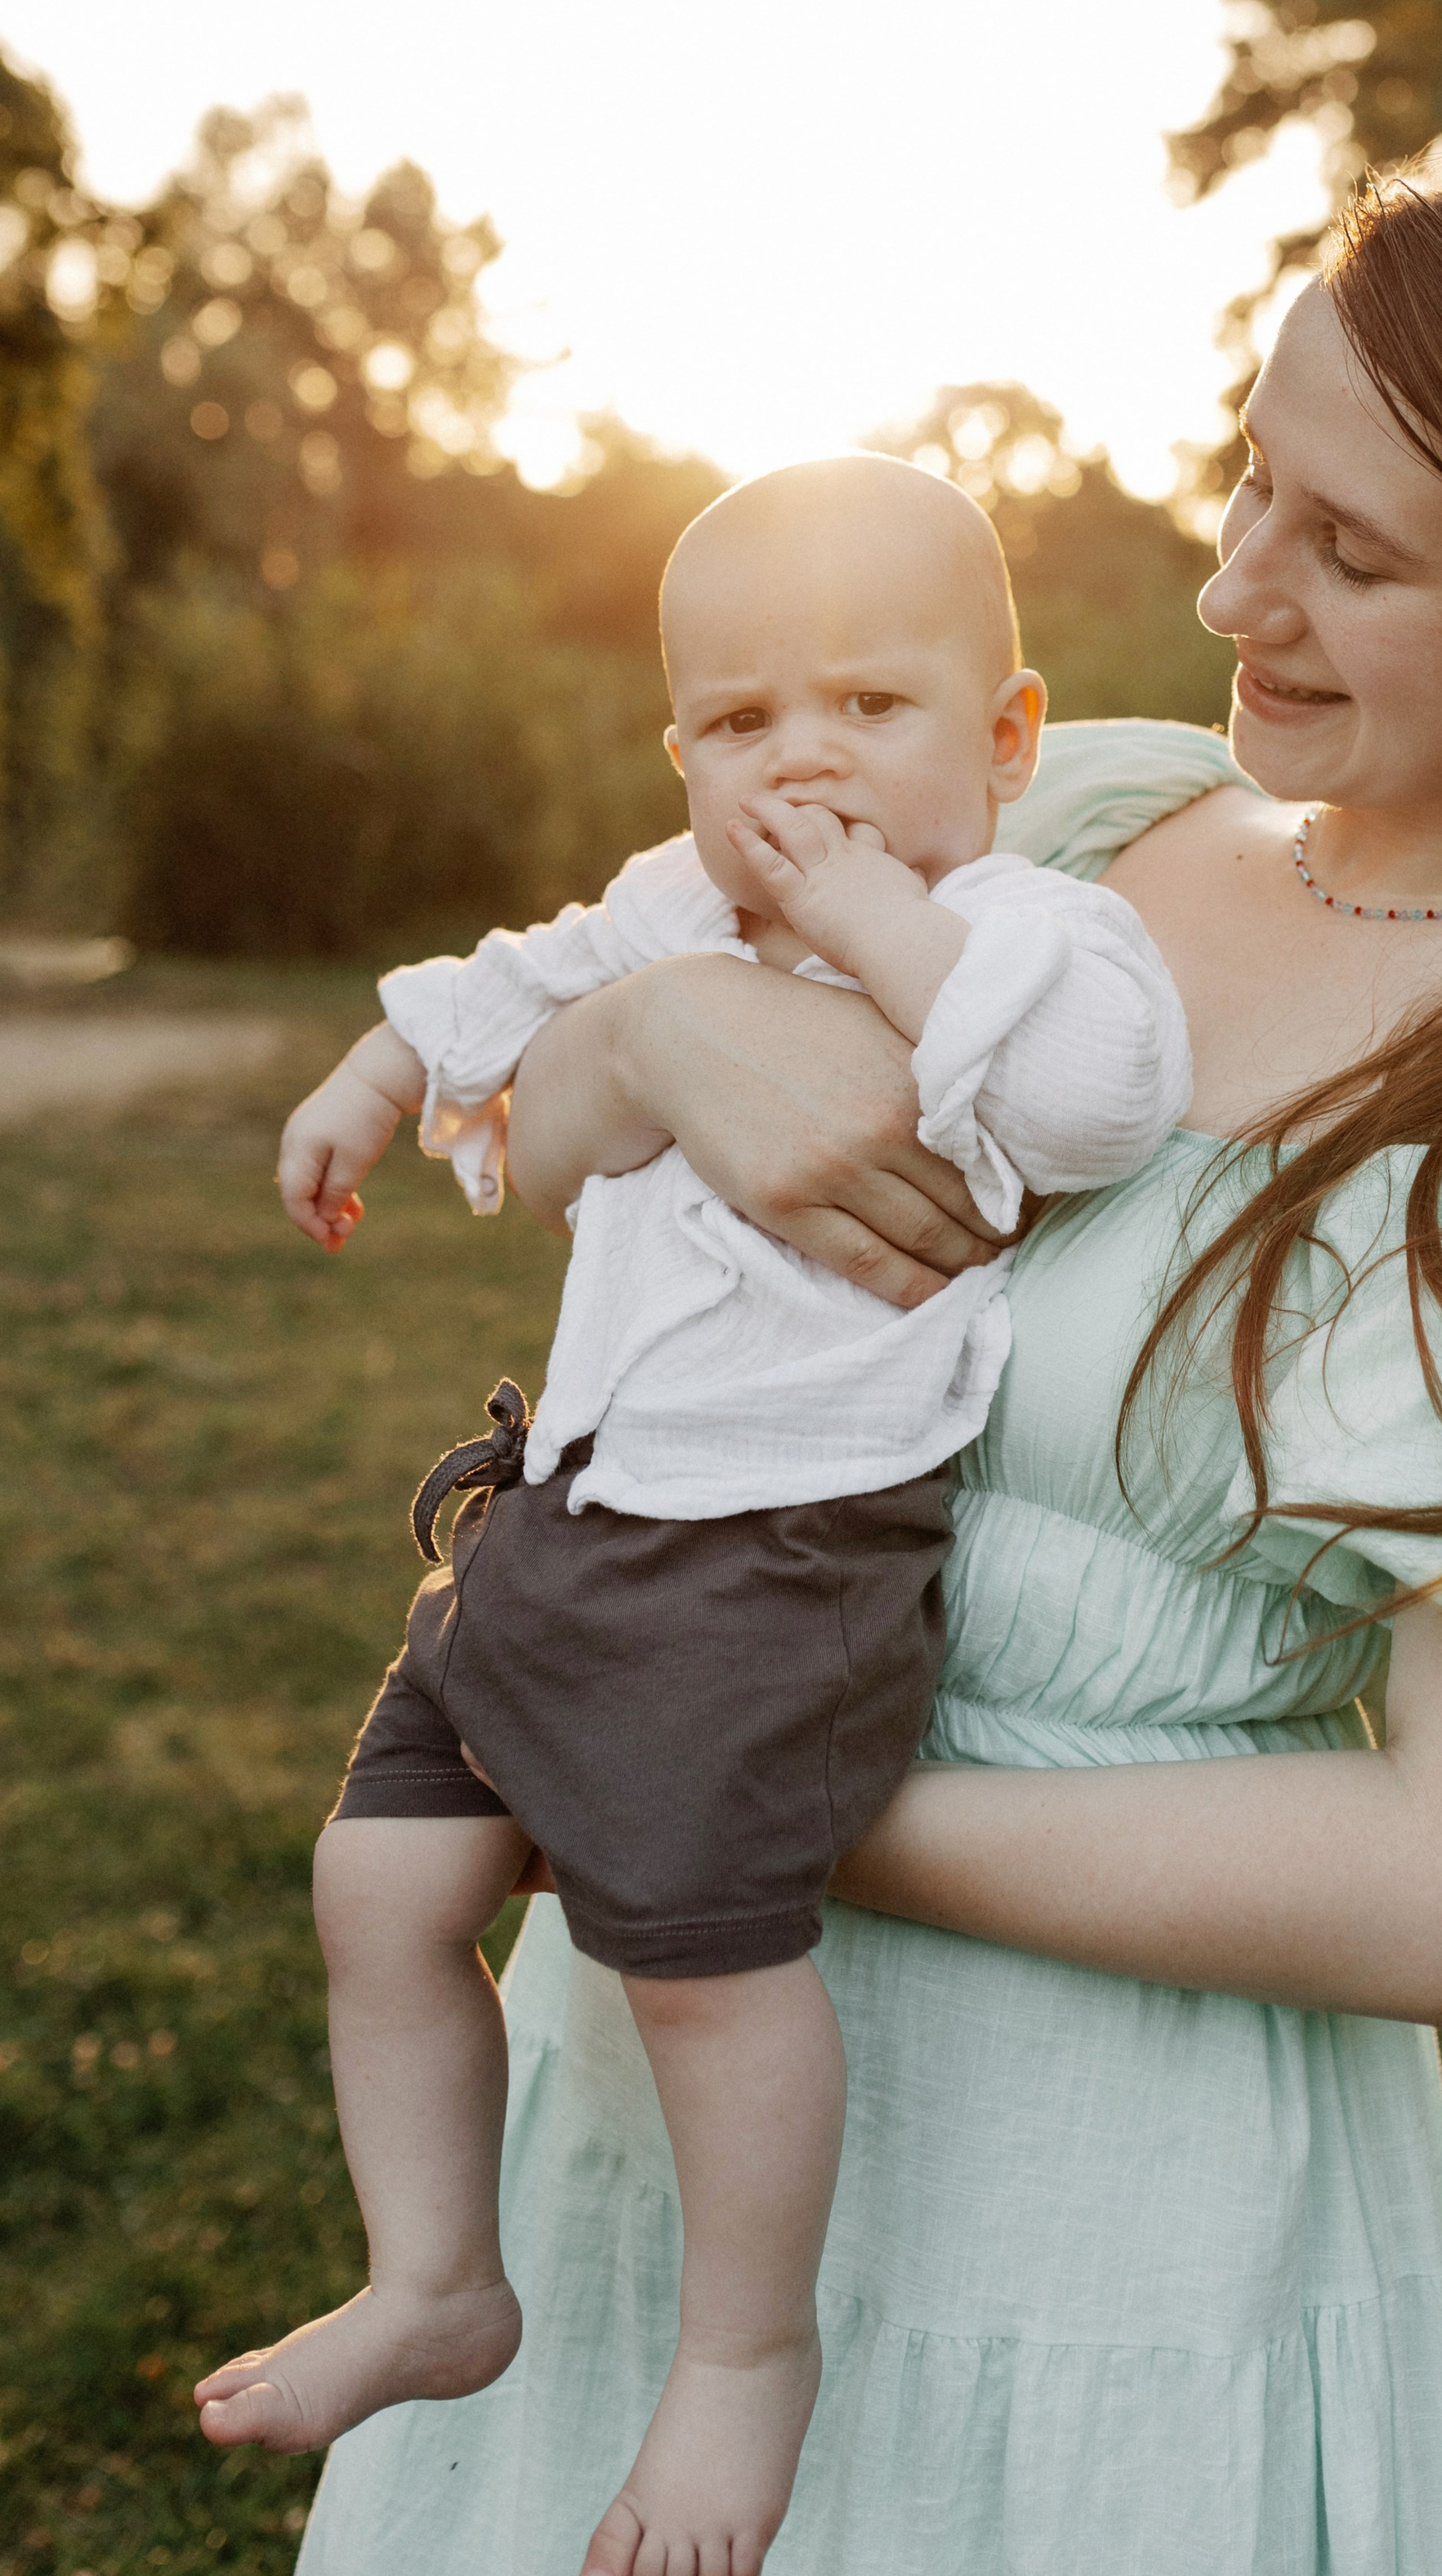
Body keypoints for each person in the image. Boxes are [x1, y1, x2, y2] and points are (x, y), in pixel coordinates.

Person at [297, 172, 1442, 2576]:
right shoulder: (1074, 817)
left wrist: (726, 1782)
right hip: (658, 2067)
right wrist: (668, 1027)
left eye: (1355, 554)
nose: (1230, 590)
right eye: (1251, 483)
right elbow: (544, 1135)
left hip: (1087, 2209)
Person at [205, 462, 1190, 2575]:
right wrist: (367, 1089)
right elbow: (504, 985)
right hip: (566, 1511)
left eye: (868, 705)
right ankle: (433, 2283)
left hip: (783, 1561)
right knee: (377, 1890)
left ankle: (745, 2365)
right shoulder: (668, 904)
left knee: (705, 1974)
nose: (802, 760)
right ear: (681, 757)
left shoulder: (1021, 929)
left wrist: (855, 919)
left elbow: (1104, 1100)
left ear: (1004, 739)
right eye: (742, 723)